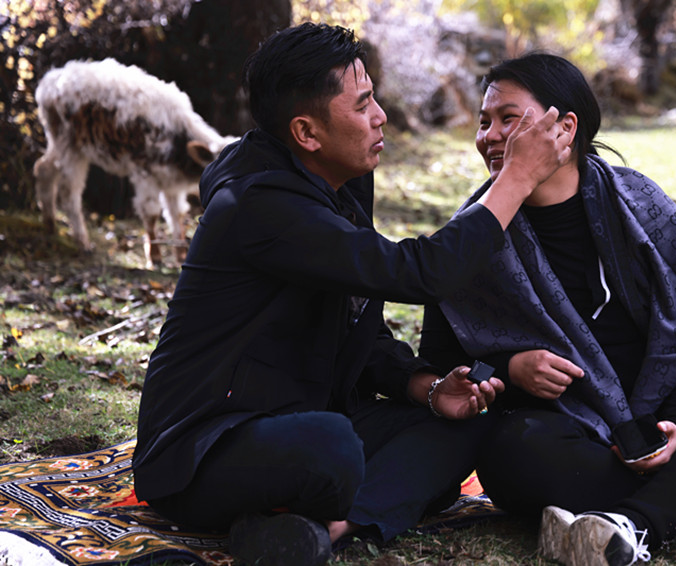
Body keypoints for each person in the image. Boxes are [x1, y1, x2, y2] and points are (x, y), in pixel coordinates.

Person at [131, 24, 571, 566]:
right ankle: (343, 500)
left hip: (303, 412)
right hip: (204, 448)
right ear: (306, 132)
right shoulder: (260, 205)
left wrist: (427, 387)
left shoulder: (338, 179)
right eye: (362, 105)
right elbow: (419, 274)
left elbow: (356, 323)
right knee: (331, 444)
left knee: (469, 419)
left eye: (374, 99)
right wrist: (516, 179)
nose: (381, 116)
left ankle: (322, 528)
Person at [419, 52, 676, 566]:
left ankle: (635, 524)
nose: (489, 136)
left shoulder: (638, 203)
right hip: (563, 433)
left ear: (565, 127)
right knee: (513, 452)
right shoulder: (471, 235)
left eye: (508, 118)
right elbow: (442, 362)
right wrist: (510, 370)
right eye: (484, 121)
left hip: (657, 420)